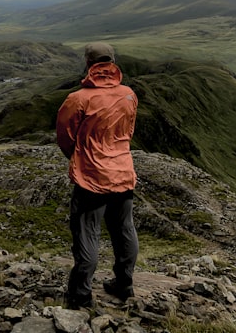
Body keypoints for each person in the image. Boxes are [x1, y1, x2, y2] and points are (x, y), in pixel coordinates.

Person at [55, 41, 139, 308]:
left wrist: (81, 157)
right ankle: (124, 284)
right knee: (124, 229)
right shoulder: (129, 94)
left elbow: (65, 138)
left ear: (89, 64)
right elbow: (128, 132)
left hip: (91, 178)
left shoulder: (78, 99)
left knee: (87, 233)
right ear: (112, 62)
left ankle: (81, 295)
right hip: (124, 172)